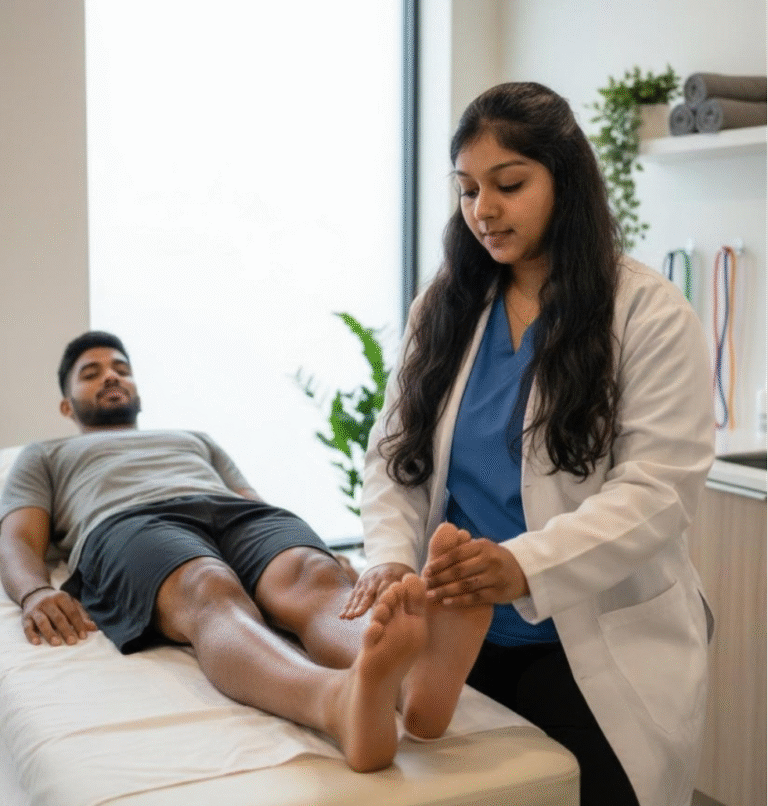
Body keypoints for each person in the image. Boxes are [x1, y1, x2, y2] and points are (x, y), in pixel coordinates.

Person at [341, 82, 714, 806]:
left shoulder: (647, 312)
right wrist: (389, 557)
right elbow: (396, 457)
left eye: (509, 184)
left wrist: (520, 564)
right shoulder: (446, 306)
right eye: (469, 188)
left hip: (594, 645)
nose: (483, 208)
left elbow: (657, 491)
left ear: (563, 179)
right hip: (465, 645)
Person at [0, 331, 492, 773]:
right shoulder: (44, 454)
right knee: (208, 587)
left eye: (121, 369)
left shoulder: (193, 439)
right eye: (92, 373)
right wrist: (35, 593)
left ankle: (413, 689)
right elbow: (19, 537)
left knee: (311, 573)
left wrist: (315, 546)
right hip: (128, 521)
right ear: (67, 406)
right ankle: (332, 703)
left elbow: (250, 502)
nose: (111, 377)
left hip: (228, 512)